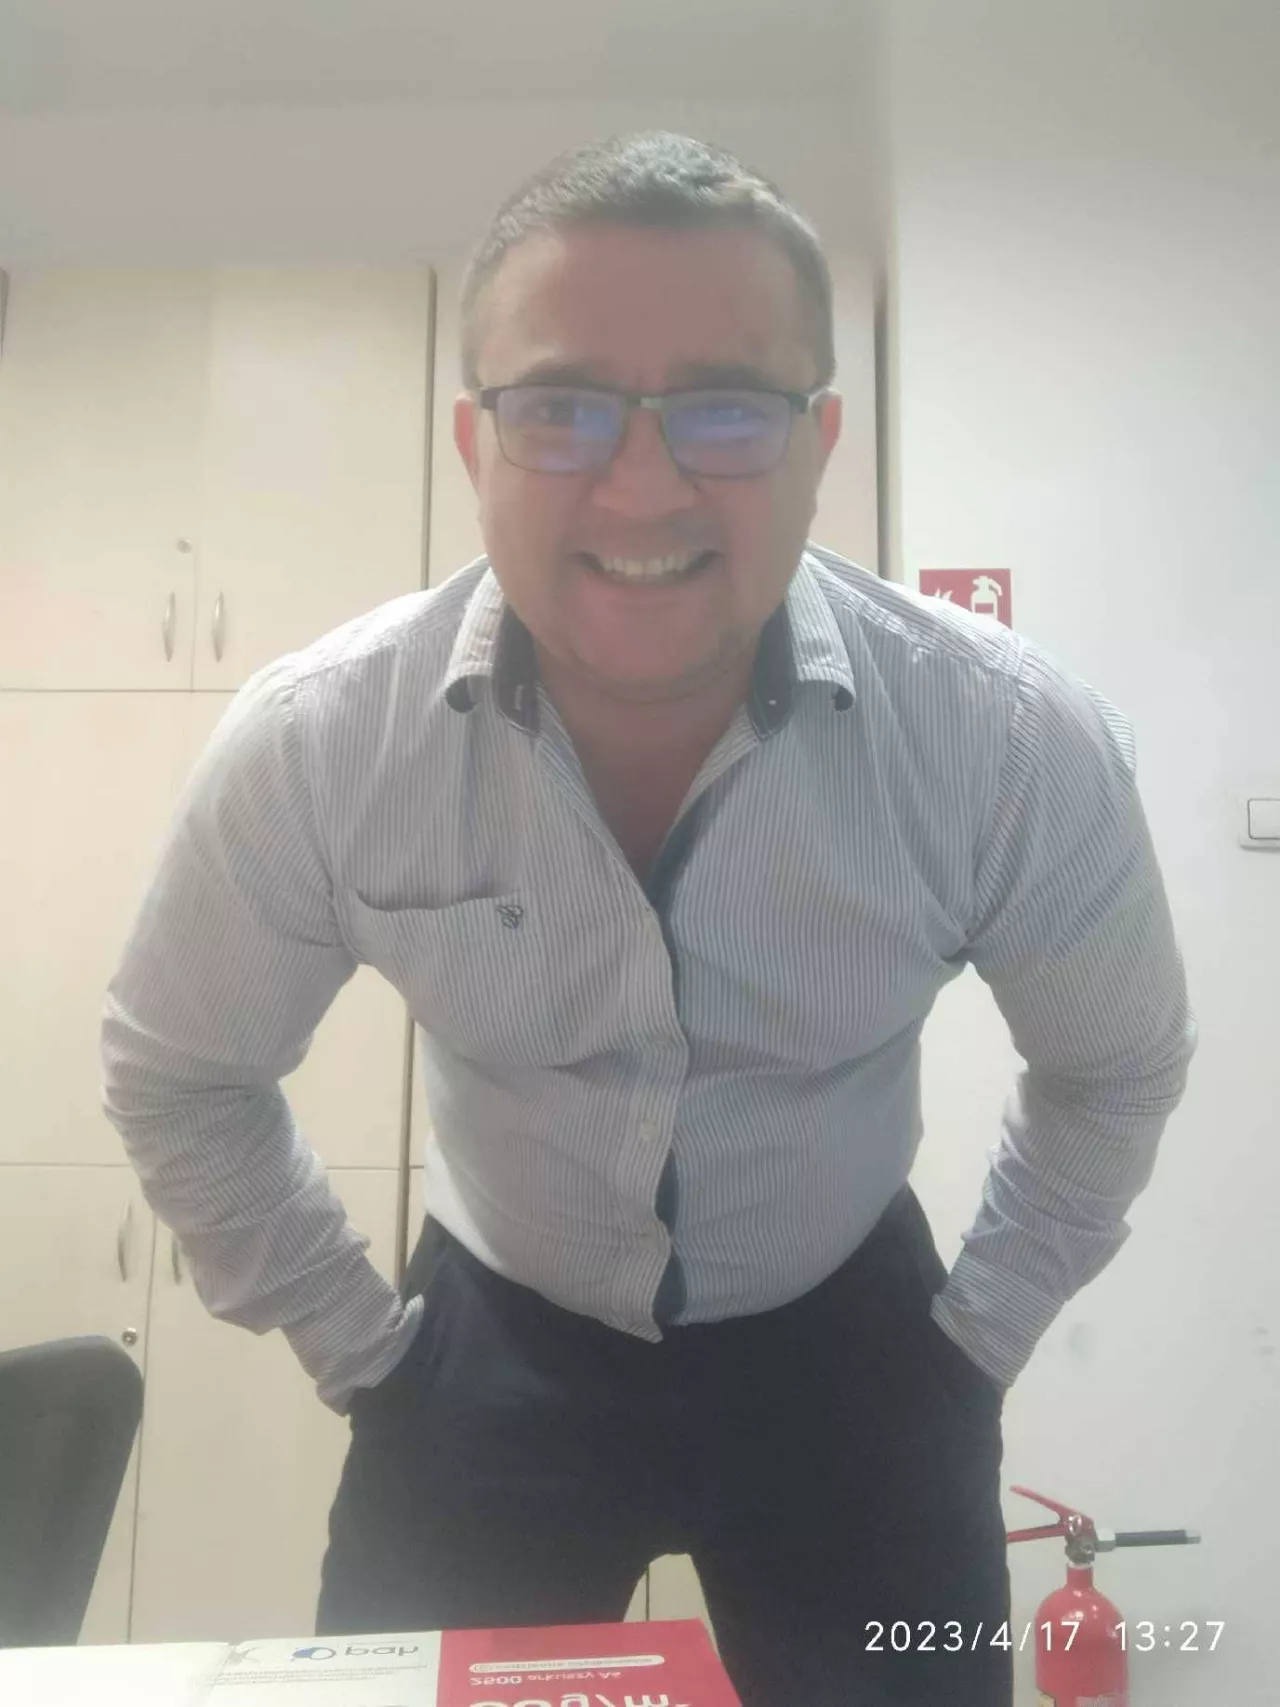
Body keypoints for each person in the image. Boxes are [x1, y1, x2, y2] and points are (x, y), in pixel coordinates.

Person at [101, 131, 1196, 1707]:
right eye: (561, 406)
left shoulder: (1008, 744)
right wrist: (364, 1351)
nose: (642, 481)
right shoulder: (323, 746)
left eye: (727, 406)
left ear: (820, 443)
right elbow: (180, 1071)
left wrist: (973, 1345)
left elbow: (1117, 1065)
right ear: (475, 444)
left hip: (855, 1342)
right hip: (488, 1344)